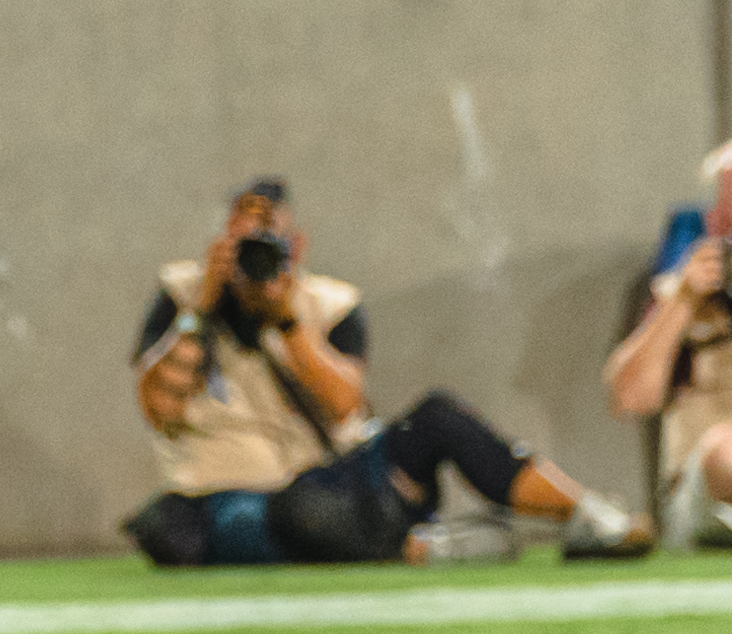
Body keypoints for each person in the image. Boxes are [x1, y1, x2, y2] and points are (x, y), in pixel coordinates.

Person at [125, 179, 652, 568]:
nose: (254, 262)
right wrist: (203, 306)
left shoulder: (329, 305)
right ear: (221, 245)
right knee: (263, 520)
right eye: (243, 248)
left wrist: (285, 321)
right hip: (230, 494)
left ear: (297, 248)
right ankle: (429, 548)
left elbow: (346, 407)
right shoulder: (182, 294)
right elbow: (160, 407)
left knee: (437, 417)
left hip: (330, 482)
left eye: (268, 246)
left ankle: (590, 516)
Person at [605, 144, 732, 547]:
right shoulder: (679, 292)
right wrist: (683, 300)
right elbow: (629, 398)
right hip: (701, 496)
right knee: (723, 447)